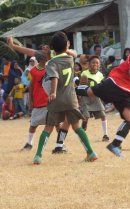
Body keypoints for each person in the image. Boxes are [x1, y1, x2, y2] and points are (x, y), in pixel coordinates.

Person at [34, 32, 97, 164]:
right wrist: (66, 47)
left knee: (48, 127)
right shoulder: (70, 59)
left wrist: (53, 92)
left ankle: (38, 156)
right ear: (66, 45)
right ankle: (91, 152)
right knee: (76, 126)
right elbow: (73, 53)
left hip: (57, 99)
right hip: (70, 98)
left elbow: (54, 77)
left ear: (52, 47)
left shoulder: (51, 62)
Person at [79, 55, 109, 142]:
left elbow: (103, 87)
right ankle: (83, 131)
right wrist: (80, 98)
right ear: (89, 64)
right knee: (86, 117)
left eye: (97, 63)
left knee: (103, 115)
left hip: (96, 98)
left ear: (99, 65)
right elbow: (81, 86)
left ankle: (105, 135)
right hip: (86, 98)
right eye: (93, 62)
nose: (95, 64)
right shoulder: (84, 74)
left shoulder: (100, 75)